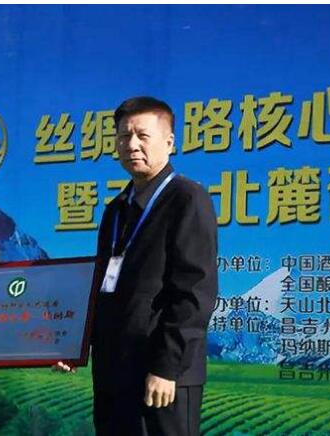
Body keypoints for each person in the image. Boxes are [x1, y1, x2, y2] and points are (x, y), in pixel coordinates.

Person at [58, 96, 218, 435]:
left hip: (161, 376)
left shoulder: (188, 199)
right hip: (113, 372)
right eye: (123, 136)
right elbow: (102, 288)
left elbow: (194, 293)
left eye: (143, 135)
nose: (131, 145)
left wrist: (166, 367)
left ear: (169, 142)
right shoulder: (116, 209)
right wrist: (74, 344)